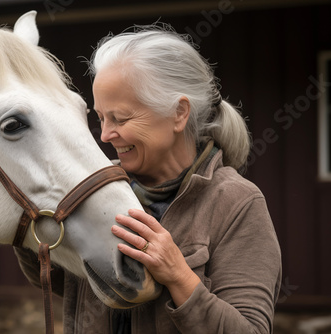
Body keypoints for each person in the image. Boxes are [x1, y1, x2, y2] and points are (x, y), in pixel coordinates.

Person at [15, 24, 282, 334]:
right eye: (100, 118)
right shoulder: (97, 187)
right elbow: (66, 283)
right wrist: (26, 222)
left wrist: (179, 276)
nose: (104, 135)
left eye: (120, 118)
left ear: (179, 113)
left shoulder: (236, 203)